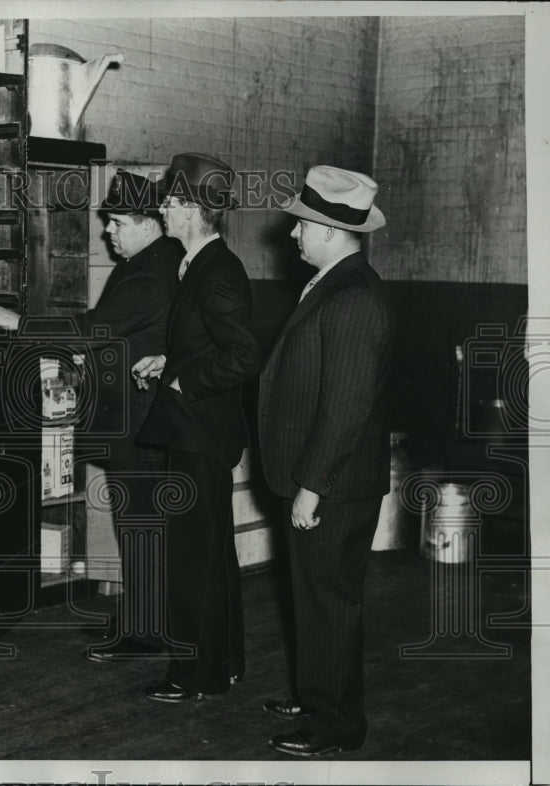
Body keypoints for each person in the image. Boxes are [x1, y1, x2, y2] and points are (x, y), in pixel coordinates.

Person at [0, 170, 183, 660]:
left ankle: (147, 634)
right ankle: (141, 624)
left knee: (142, 525)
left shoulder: (154, 270)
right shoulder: (147, 261)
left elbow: (94, 327)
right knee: (137, 523)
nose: (108, 232)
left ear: (149, 222)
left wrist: (20, 323)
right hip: (133, 419)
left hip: (140, 422)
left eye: (116, 222)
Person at [257, 165, 393, 756]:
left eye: (302, 226)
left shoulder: (355, 298)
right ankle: (315, 693)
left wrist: (312, 486)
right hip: (317, 478)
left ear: (332, 230)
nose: (293, 236)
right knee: (312, 595)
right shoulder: (333, 285)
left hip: (332, 484)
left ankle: (335, 725)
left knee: (330, 601)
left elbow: (345, 408)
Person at [132, 153, 260, 702]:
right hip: (200, 431)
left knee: (191, 556)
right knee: (211, 552)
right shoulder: (201, 263)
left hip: (198, 433)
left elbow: (245, 354)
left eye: (168, 200)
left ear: (189, 209)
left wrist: (187, 383)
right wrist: (171, 364)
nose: (161, 208)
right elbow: (208, 343)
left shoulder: (216, 271)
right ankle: (223, 662)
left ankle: (194, 673)